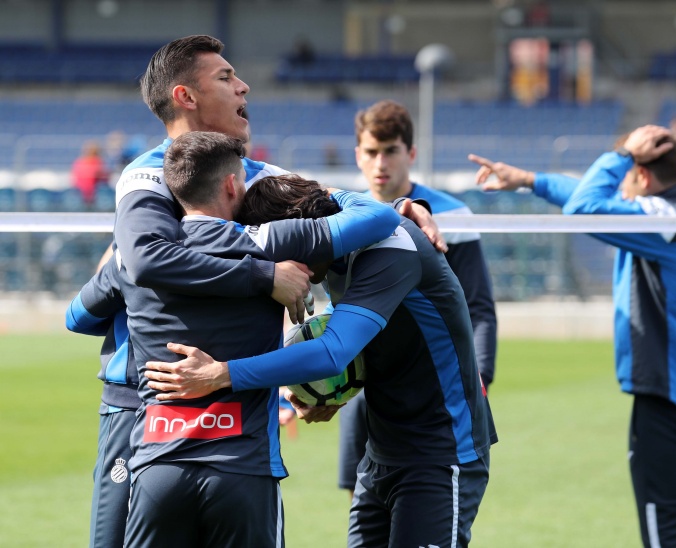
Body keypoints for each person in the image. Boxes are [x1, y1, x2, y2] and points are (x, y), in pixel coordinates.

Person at [79, 34, 442, 548]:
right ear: (185, 97)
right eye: (226, 77)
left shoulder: (260, 176)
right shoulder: (146, 176)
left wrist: (399, 209)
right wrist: (265, 277)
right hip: (144, 399)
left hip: (238, 409)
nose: (244, 86)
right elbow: (144, 259)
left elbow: (340, 210)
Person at [143, 173, 498, 548]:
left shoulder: (393, 249)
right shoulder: (338, 253)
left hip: (442, 451)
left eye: (278, 253)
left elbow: (332, 351)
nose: (276, 266)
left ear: (306, 235)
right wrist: (325, 392)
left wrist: (221, 374)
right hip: (383, 448)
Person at [469, 124, 676, 548]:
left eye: (626, 177)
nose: (620, 189)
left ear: (641, 175)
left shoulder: (663, 223)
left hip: (670, 399)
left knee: (666, 537)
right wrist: (531, 181)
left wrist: (622, 153)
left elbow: (586, 208)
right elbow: (594, 200)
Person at [336, 99, 498, 498]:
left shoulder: (451, 215)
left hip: (430, 383)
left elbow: (478, 305)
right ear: (357, 155)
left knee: (430, 494)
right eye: (371, 151)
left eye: (390, 151)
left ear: (410, 153)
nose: (380, 163)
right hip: (363, 376)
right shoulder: (344, 218)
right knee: (363, 496)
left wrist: (481, 373)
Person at [71, 140, 109, 204]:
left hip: (79, 192)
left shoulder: (78, 162)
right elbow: (104, 178)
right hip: (92, 193)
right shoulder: (96, 162)